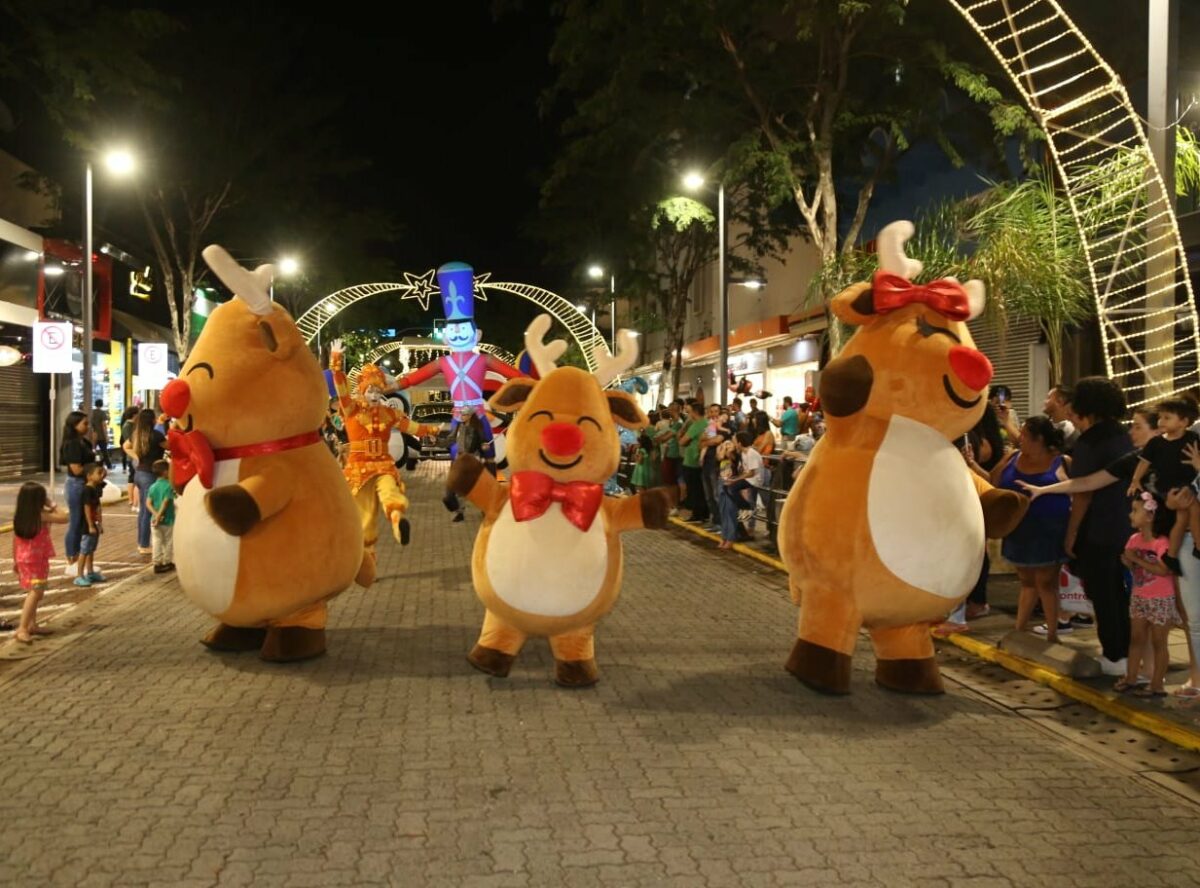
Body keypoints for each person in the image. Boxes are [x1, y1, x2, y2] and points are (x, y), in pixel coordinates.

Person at [1064, 377, 1134, 676]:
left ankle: (1115, 655)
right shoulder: (1125, 435)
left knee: (1104, 594)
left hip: (1100, 528)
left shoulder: (1090, 441)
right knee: (1122, 593)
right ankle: (1129, 653)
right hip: (1129, 524)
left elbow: (1082, 492)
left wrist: (1071, 532)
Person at [991, 417, 1071, 641]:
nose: (1020, 438)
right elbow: (992, 481)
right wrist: (971, 464)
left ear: (1040, 439)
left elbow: (1080, 490)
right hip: (1019, 528)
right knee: (1026, 581)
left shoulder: (1061, 461)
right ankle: (1019, 628)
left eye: (1025, 435)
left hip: (1049, 530)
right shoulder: (1012, 457)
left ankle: (1053, 632)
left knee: (1046, 582)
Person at [1117, 492, 1183, 697]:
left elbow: (1165, 570)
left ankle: (1156, 684)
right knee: (1136, 638)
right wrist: (1128, 561)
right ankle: (1131, 676)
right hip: (1139, 595)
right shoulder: (1133, 539)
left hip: (1160, 599)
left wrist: (1136, 560)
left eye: (1135, 510)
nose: (1130, 515)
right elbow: (1128, 561)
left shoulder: (1161, 543)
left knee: (1158, 641)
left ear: (1150, 516)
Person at [1127, 395, 1200, 573]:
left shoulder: (1193, 438)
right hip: (1168, 486)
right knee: (1193, 509)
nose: (1161, 421)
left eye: (1167, 417)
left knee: (1183, 518)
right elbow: (1144, 462)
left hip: (1186, 483)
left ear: (1184, 422)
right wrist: (1135, 480)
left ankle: (1172, 555)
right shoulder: (1156, 443)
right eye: (1161, 417)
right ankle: (1198, 545)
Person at [10, 482, 69, 643]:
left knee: (36, 590)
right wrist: (52, 503)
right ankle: (22, 628)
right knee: (36, 591)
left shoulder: (21, 515)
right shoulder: (40, 515)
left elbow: (15, 540)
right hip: (34, 559)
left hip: (28, 558)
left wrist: (15, 560)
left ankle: (32, 624)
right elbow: (64, 517)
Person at [124, 408, 167, 557]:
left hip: (139, 473)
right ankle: (143, 544)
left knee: (143, 510)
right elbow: (170, 446)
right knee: (147, 510)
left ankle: (142, 542)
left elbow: (125, 446)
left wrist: (137, 457)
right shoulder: (156, 435)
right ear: (152, 420)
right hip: (150, 474)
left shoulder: (137, 434)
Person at [59, 409, 96, 577]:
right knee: (75, 521)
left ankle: (81, 557)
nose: (88, 427)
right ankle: (71, 557)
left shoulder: (84, 442)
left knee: (83, 521)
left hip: (86, 484)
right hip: (76, 485)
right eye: (84, 424)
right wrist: (93, 472)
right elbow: (76, 469)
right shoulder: (72, 444)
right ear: (74, 425)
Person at [76, 463, 108, 587]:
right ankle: (79, 575)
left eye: (102, 474)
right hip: (86, 525)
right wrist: (90, 525)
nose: (102, 476)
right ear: (89, 476)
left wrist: (99, 523)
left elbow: (98, 507)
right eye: (98, 473)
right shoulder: (87, 490)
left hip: (94, 524)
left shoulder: (95, 488)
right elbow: (87, 508)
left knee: (91, 549)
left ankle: (90, 571)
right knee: (84, 550)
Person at [145, 459, 176, 574]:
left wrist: (155, 515)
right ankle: (167, 561)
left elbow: (148, 503)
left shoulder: (153, 486)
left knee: (156, 541)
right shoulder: (169, 486)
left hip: (154, 520)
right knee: (168, 541)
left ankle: (156, 563)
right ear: (165, 472)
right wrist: (159, 516)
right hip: (167, 519)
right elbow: (165, 502)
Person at [1043, 385, 1079, 453]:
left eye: (1048, 398)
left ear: (1060, 401)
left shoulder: (1070, 429)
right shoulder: (1046, 425)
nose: (1045, 401)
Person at [90, 398, 111, 469]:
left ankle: (91, 465)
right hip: (101, 435)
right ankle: (109, 466)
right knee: (104, 452)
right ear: (101, 404)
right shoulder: (102, 413)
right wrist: (106, 436)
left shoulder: (92, 412)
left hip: (93, 435)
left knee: (92, 451)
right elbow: (103, 425)